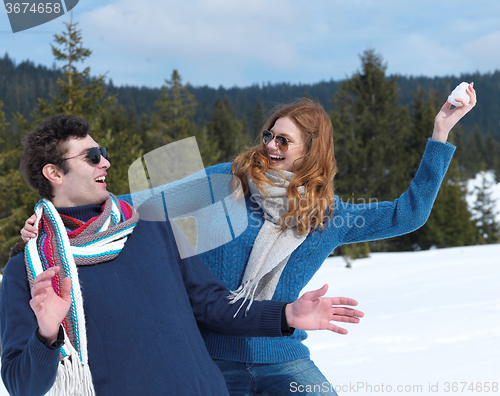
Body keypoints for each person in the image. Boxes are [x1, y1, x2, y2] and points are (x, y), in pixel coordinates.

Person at [21, 84, 477, 396]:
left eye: (285, 140)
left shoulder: (327, 216)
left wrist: (441, 133)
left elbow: (409, 213)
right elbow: (143, 202)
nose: (271, 146)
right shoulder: (225, 181)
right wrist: (56, 218)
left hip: (282, 359)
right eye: (269, 135)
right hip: (212, 357)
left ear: (310, 152)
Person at [2, 115, 365, 396]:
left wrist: (287, 314)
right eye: (92, 156)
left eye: (105, 154)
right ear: (54, 172)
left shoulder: (150, 228)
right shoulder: (30, 270)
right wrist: (47, 334)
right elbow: (21, 384)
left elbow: (211, 305)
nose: (106, 163)